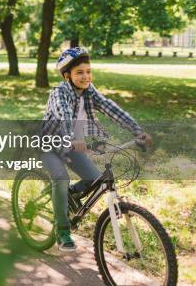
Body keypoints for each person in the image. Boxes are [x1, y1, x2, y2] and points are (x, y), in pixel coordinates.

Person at [42, 46, 152, 251]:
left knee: (94, 179)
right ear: (67, 76)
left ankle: (67, 196)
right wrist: (73, 139)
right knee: (61, 178)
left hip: (74, 145)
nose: (86, 76)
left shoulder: (89, 92)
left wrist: (137, 131)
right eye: (79, 72)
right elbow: (65, 115)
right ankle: (63, 231)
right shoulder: (59, 93)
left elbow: (112, 109)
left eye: (88, 71)